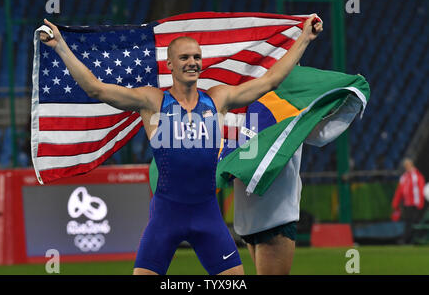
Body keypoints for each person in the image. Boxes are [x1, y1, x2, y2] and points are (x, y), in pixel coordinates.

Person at [39, 15, 323, 275]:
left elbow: (271, 80)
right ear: (170, 64)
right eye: (185, 57)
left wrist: (304, 39)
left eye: (197, 57)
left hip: (208, 216)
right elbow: (95, 88)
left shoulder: (218, 99)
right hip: (166, 217)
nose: (193, 62)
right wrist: (61, 46)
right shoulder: (153, 102)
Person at [231, 91, 363, 274]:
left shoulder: (240, 99)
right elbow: (320, 134)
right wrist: (354, 102)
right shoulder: (283, 102)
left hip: (246, 213)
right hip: (276, 210)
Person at [392, 158, 426, 244]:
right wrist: (395, 203)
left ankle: (414, 239)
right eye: (405, 166)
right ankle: (408, 239)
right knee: (408, 222)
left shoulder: (416, 176)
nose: (406, 167)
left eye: (407, 165)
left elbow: (421, 189)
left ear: (411, 165)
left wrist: (421, 203)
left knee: (415, 222)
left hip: (415, 203)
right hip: (407, 203)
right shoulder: (404, 177)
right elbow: (399, 191)